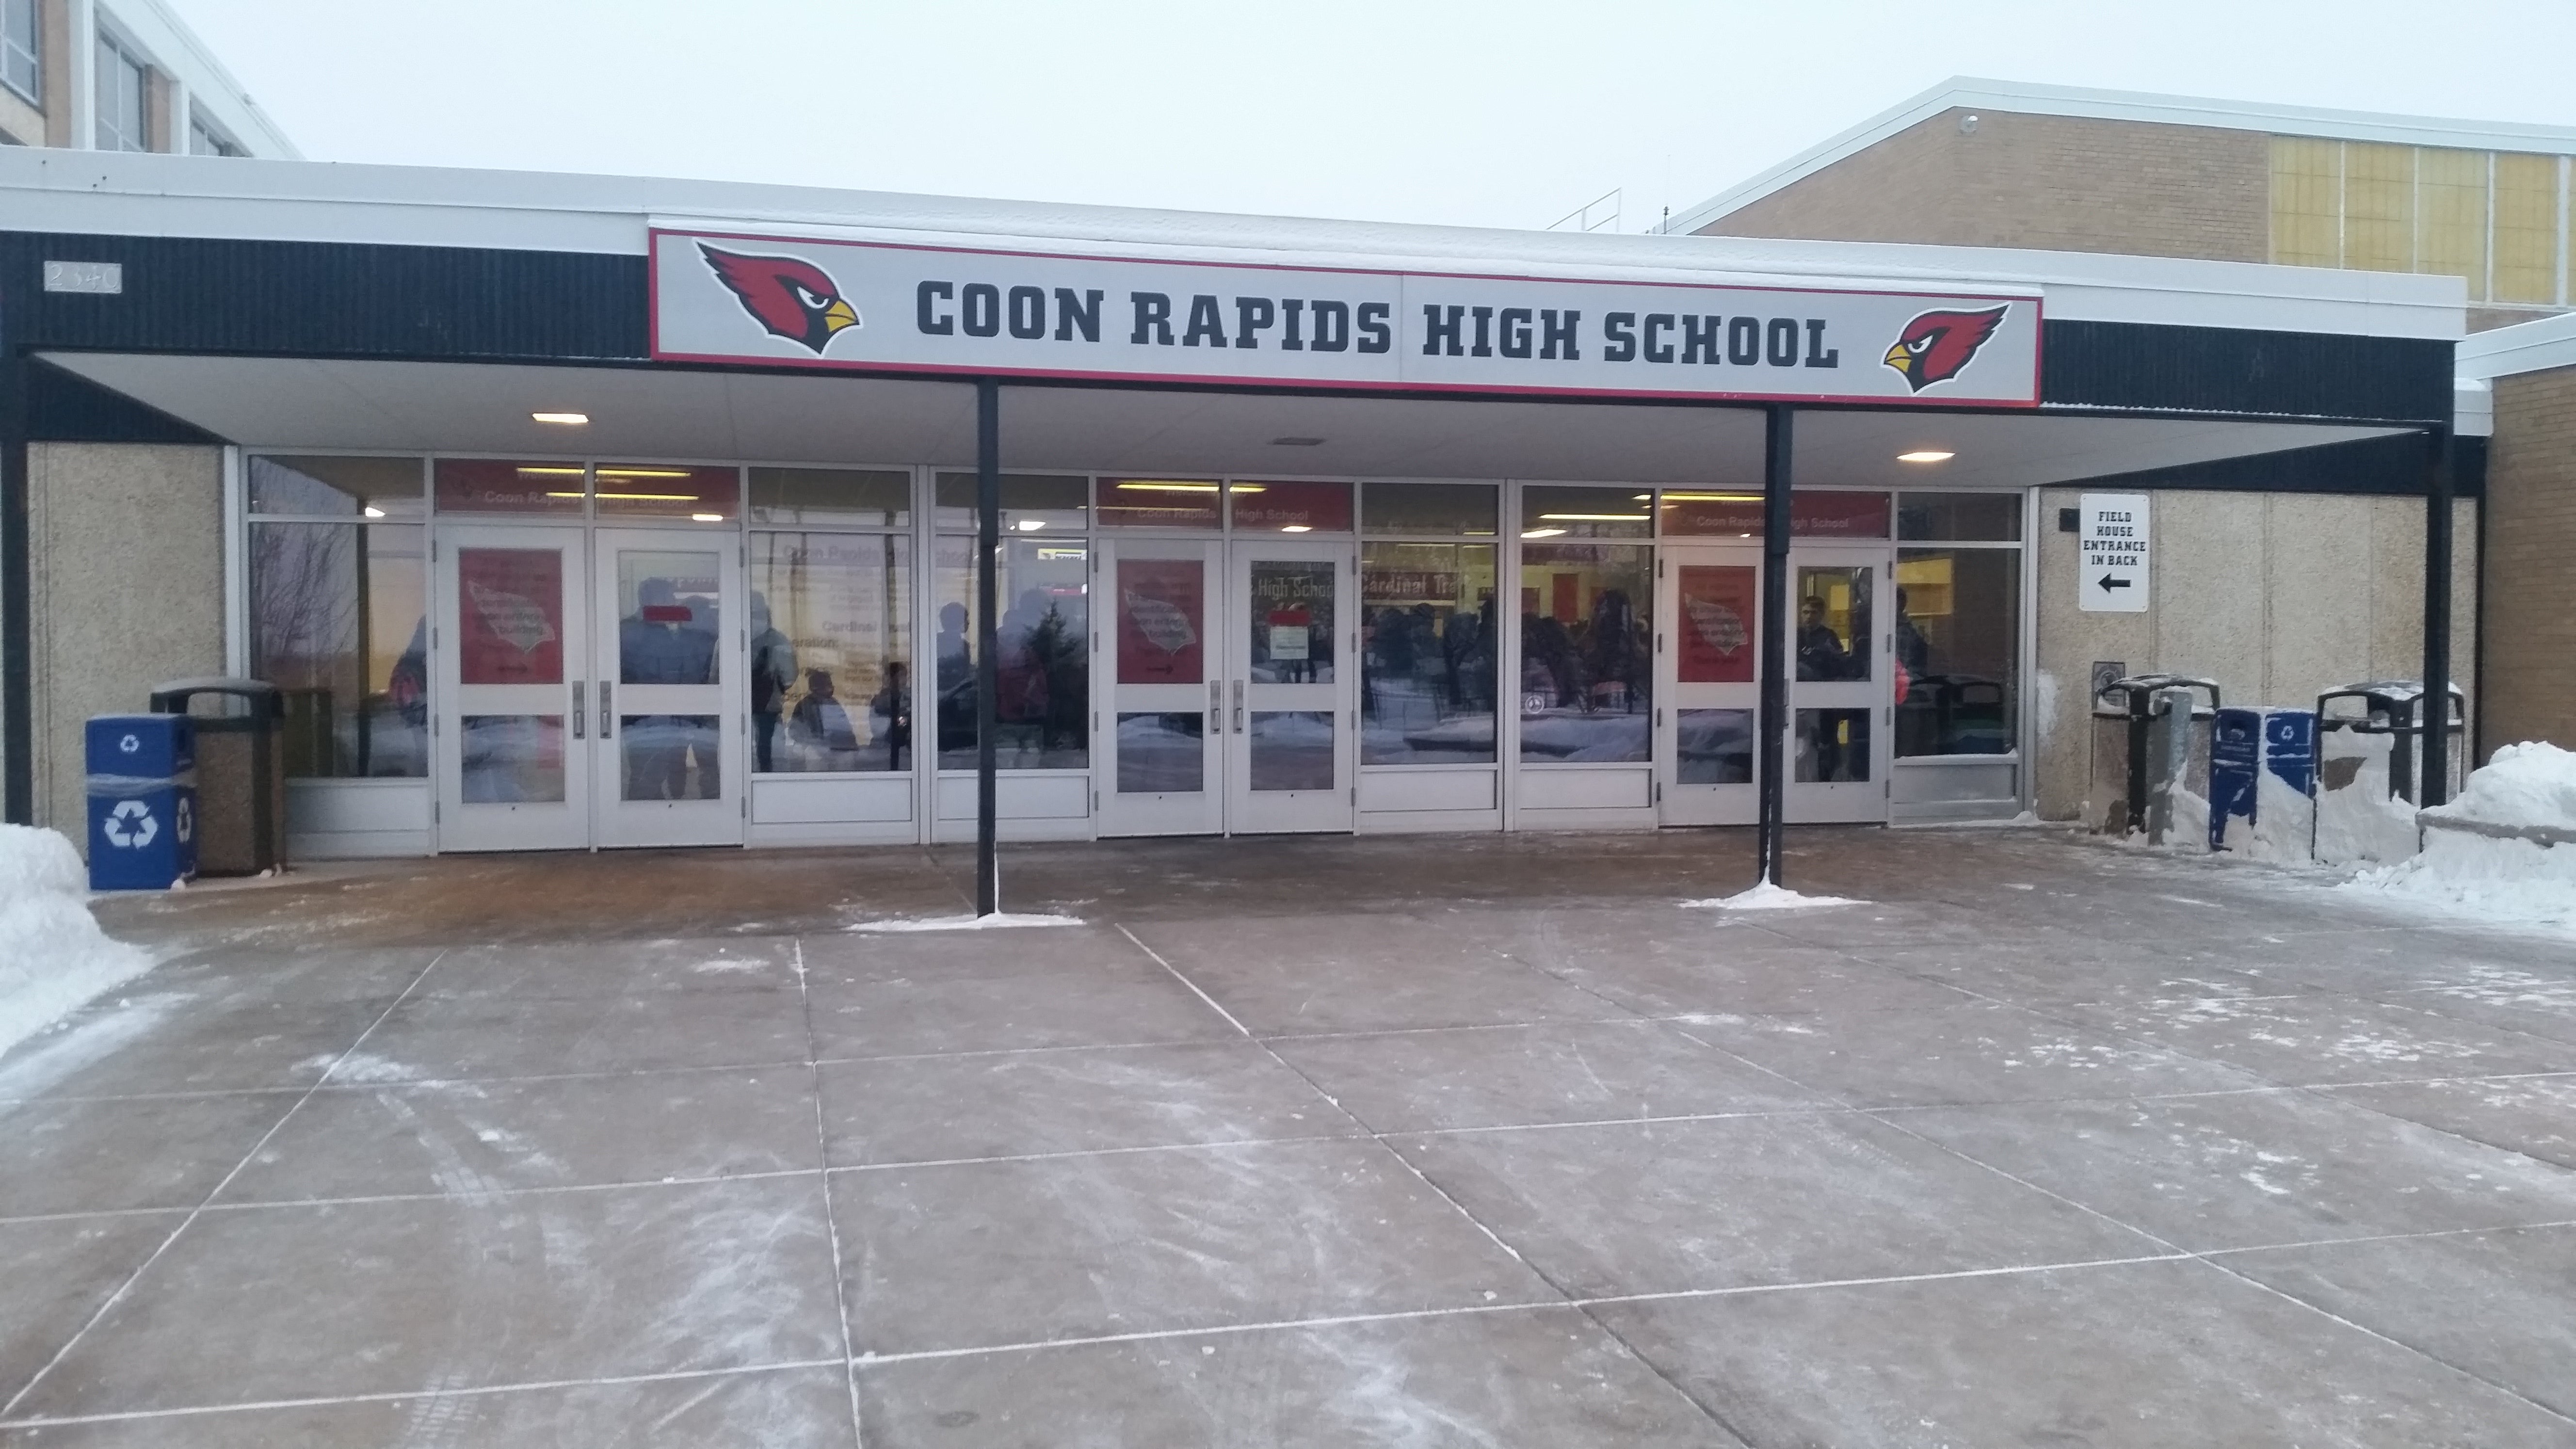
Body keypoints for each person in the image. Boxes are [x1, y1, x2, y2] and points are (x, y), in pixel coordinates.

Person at [747, 593, 795, 773]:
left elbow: (715, 676)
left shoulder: (727, 639)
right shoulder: (779, 640)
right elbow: (789, 677)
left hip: (736, 709)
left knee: (736, 757)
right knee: (768, 756)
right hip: (769, 707)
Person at [870, 660, 912, 770]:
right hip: (884, 748)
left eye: (904, 676)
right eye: (900, 676)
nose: (903, 680)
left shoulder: (911, 695)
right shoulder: (881, 699)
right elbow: (879, 728)